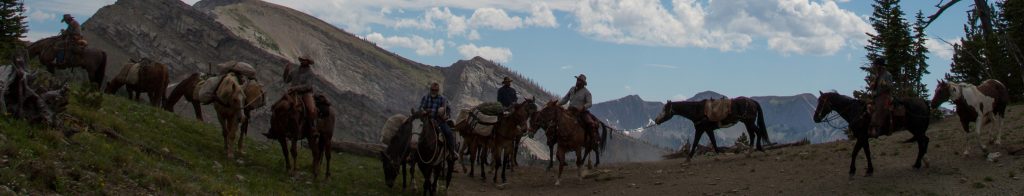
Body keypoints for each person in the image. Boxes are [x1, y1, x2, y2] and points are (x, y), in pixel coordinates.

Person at [283, 56, 318, 136]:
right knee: (280, 104)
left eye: (304, 60)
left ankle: (312, 128)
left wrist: (295, 88)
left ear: (308, 62)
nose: (302, 61)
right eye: (302, 60)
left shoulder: (310, 73)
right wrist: (286, 71)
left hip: (305, 94)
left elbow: (308, 86)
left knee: (311, 109)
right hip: (293, 93)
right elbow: (286, 80)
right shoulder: (295, 71)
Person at [558, 74, 597, 144]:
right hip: (570, 110)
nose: (578, 81)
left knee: (590, 123)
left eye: (580, 80)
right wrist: (557, 104)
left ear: (583, 83)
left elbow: (590, 103)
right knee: (558, 119)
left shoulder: (587, 92)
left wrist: (583, 107)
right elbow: (565, 99)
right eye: (577, 80)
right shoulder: (572, 89)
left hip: (580, 112)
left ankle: (593, 140)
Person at [420, 82, 457, 157]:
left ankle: (452, 152)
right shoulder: (425, 97)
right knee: (414, 131)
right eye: (432, 90)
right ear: (430, 89)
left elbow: (448, 110)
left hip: (439, 121)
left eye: (435, 90)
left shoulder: (443, 99)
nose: (433, 91)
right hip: (426, 120)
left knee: (448, 133)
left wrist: (446, 116)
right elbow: (421, 107)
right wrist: (422, 111)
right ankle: (410, 153)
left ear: (438, 90)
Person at [867, 58, 894, 137]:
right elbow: (873, 86)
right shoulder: (876, 75)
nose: (874, 67)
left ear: (880, 66)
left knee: (879, 108)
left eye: (876, 65)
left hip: (884, 96)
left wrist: (885, 84)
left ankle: (877, 128)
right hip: (875, 96)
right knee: (866, 106)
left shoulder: (887, 75)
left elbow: (890, 86)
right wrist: (872, 84)